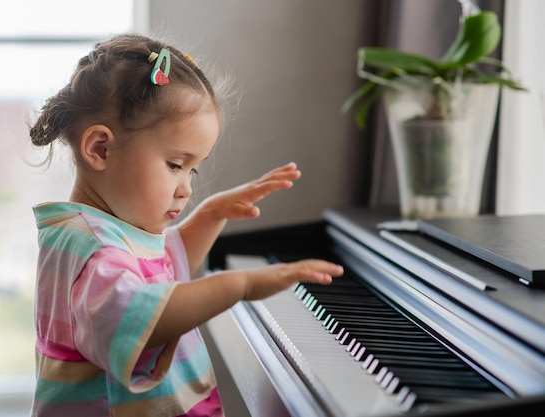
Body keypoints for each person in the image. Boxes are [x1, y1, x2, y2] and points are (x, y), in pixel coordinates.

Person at [28, 33, 344, 417]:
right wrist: (238, 286)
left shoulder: (100, 230)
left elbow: (161, 271)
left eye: (194, 169)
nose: (186, 188)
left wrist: (212, 214)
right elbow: (139, 316)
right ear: (100, 149)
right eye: (175, 165)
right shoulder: (91, 246)